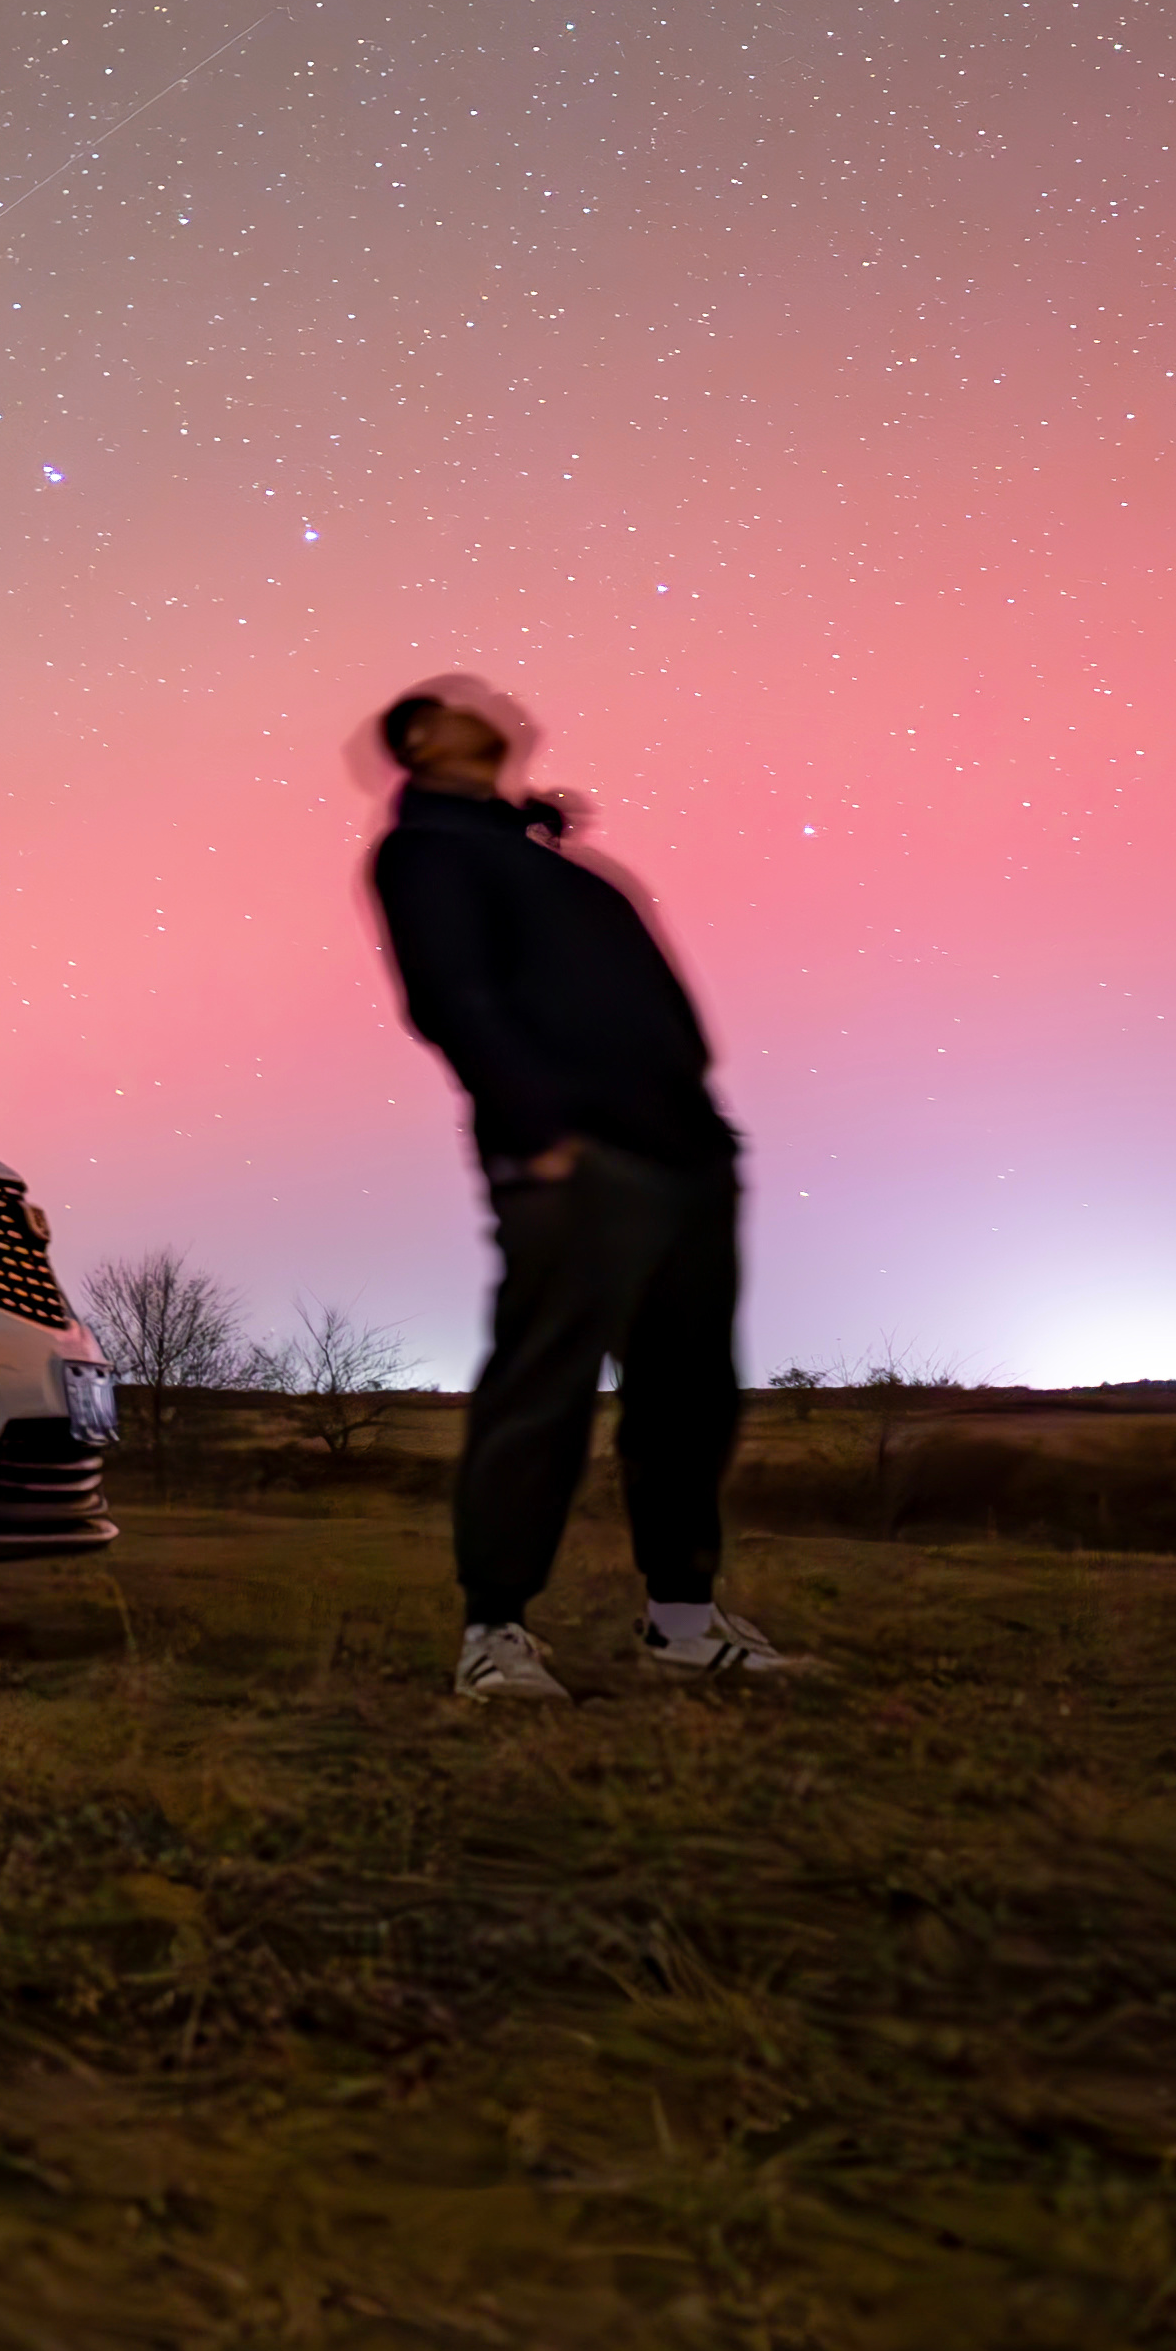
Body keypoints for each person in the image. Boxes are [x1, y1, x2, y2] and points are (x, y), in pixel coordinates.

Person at [364, 682, 803, 1697]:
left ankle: (682, 1622)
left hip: (683, 1154)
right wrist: (541, 1133)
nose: (486, 703)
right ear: (421, 741)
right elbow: (452, 997)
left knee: (689, 1397)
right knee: (544, 1390)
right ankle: (495, 1631)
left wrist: (703, 1134)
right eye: (456, 704)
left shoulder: (530, 855)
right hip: (577, 1160)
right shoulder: (424, 850)